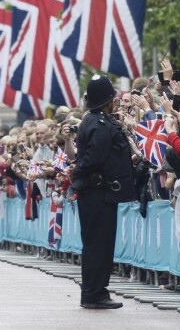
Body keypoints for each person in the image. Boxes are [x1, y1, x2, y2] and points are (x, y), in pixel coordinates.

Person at [72, 75, 135, 309]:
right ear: (107, 100)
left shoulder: (93, 120)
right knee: (99, 244)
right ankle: (95, 293)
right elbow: (93, 158)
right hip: (98, 192)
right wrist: (79, 173)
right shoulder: (99, 124)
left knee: (96, 244)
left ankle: (93, 291)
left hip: (96, 192)